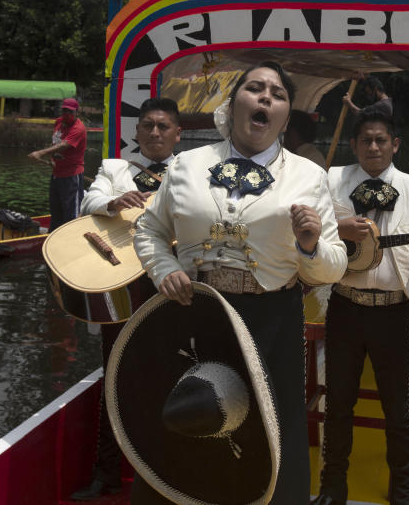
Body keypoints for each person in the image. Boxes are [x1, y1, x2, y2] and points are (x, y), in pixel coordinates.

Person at [133, 61, 348, 504]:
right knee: (186, 424)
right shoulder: (187, 166)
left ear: (285, 116)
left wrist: (310, 245)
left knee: (265, 439)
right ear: (233, 107)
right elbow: (149, 230)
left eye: (278, 93)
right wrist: (164, 269)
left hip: (270, 323)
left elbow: (332, 268)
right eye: (255, 88)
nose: (266, 96)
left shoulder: (310, 177)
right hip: (194, 314)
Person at [312, 111, 409, 505]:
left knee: (398, 406)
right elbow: (311, 230)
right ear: (354, 145)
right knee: (338, 402)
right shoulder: (332, 180)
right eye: (366, 140)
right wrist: (339, 230)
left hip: (394, 310)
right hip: (345, 306)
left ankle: (404, 488)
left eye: (381, 140)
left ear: (395, 145)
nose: (373, 147)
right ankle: (333, 487)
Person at [69, 97, 182, 501]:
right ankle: (107, 474)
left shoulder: (191, 174)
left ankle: (166, 474)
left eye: (163, 127)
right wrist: (113, 203)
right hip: (122, 287)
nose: (154, 133)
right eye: (147, 126)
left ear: (177, 134)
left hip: (172, 290)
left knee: (171, 380)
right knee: (114, 379)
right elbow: (87, 201)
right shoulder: (116, 169)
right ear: (135, 133)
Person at [28, 98, 87, 231]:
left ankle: (71, 239)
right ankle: (52, 236)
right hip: (57, 173)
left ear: (76, 112)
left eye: (70, 111)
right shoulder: (59, 122)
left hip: (71, 175)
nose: (66, 114)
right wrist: (52, 158)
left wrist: (40, 153)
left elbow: (64, 145)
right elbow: (56, 143)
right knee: (56, 210)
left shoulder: (79, 128)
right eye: (64, 110)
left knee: (71, 213)